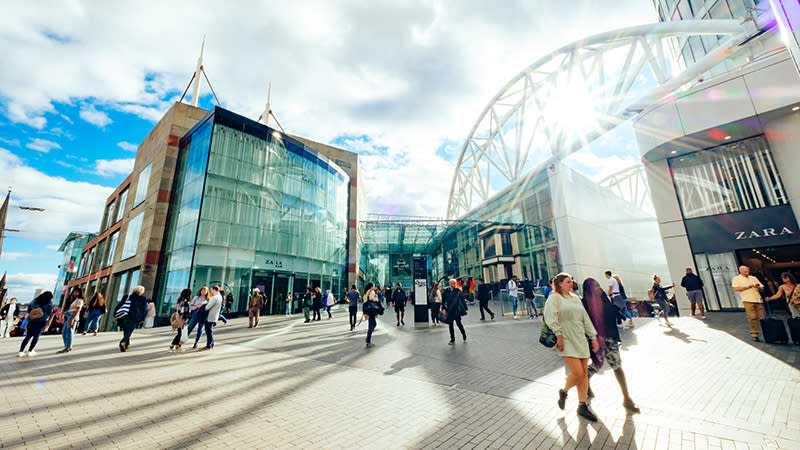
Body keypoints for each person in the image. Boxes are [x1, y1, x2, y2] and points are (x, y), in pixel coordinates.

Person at [544, 273, 600, 422]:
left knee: (583, 374)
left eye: (571, 281)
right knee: (578, 372)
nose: (571, 284)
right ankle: (564, 391)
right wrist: (559, 335)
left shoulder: (575, 298)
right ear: (560, 284)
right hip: (566, 338)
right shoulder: (554, 298)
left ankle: (582, 405)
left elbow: (585, 318)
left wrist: (592, 336)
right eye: (568, 282)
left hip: (580, 338)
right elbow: (550, 318)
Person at [581, 278, 640, 413]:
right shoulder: (585, 304)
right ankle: (586, 380)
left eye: (598, 285)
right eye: (594, 287)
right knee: (596, 365)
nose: (598, 288)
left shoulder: (603, 297)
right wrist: (596, 337)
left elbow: (610, 312)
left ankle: (627, 398)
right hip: (597, 341)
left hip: (611, 338)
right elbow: (587, 323)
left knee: (617, 366)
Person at [732, 265, 765, 341]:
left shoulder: (753, 278)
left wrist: (759, 287)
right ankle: (755, 334)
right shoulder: (737, 279)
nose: (747, 272)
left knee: (763, 317)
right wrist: (748, 286)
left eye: (748, 271)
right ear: (740, 271)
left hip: (758, 299)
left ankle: (767, 332)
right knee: (752, 317)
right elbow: (736, 288)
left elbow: (762, 288)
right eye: (745, 271)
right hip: (747, 300)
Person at [18, 291, 55, 357]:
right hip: (42, 321)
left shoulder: (34, 301)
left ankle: (21, 351)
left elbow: (29, 310)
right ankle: (30, 351)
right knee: (36, 336)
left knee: (28, 336)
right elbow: (50, 312)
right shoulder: (49, 303)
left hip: (32, 321)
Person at [117, 286, 148, 352]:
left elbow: (120, 305)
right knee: (130, 330)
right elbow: (145, 309)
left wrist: (116, 314)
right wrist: (142, 318)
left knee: (126, 330)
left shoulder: (127, 296)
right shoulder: (142, 298)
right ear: (141, 292)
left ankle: (126, 344)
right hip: (134, 316)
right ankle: (123, 342)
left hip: (124, 315)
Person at [57, 287, 85, 354]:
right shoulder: (71, 299)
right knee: (64, 332)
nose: (75, 293)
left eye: (76, 292)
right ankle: (66, 346)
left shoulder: (80, 300)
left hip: (73, 315)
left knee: (70, 331)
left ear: (79, 293)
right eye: (74, 292)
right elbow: (67, 308)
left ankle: (68, 347)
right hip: (68, 314)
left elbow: (78, 309)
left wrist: (72, 319)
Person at [442, 278, 467, 345]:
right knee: (450, 325)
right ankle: (452, 339)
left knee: (459, 324)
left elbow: (462, 300)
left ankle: (463, 334)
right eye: (453, 283)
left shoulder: (458, 291)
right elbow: (443, 301)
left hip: (456, 311)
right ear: (450, 284)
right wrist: (443, 309)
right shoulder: (446, 291)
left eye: (455, 283)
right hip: (449, 311)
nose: (454, 284)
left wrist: (466, 309)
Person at [199, 285, 223, 350]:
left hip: (210, 316)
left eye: (211, 290)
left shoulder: (214, 297)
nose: (210, 291)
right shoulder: (220, 297)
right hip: (214, 316)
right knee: (209, 330)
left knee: (208, 331)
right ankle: (211, 344)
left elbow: (207, 307)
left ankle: (209, 345)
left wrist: (204, 305)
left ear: (214, 290)